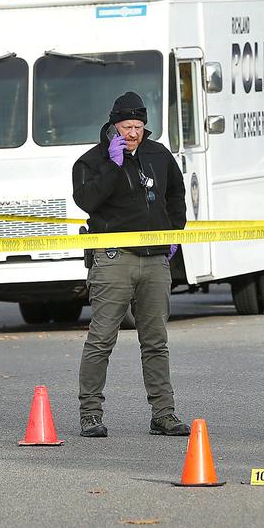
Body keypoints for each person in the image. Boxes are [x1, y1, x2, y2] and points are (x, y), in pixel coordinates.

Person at [71, 91, 190, 438]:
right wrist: (113, 165)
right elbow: (87, 201)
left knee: (156, 340)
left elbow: (176, 195)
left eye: (138, 126)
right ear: (113, 125)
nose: (133, 133)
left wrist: (173, 235)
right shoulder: (91, 161)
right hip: (113, 258)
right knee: (102, 338)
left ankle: (163, 414)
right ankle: (90, 414)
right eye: (126, 126)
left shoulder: (159, 155)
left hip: (155, 260)